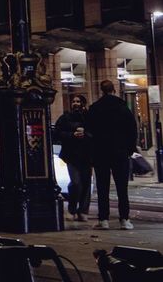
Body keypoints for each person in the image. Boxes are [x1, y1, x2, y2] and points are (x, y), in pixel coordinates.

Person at [88, 79, 137, 230]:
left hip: (101, 153)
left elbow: (89, 131)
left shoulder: (95, 108)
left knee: (102, 187)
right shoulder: (123, 108)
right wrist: (129, 150)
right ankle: (124, 219)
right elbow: (132, 130)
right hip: (120, 152)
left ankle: (104, 219)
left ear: (101, 90)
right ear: (114, 89)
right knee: (122, 187)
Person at [53, 94, 93, 221]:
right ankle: (72, 208)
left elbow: (95, 133)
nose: (75, 103)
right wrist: (72, 135)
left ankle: (83, 211)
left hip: (87, 155)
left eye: (78, 101)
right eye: (74, 101)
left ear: (83, 103)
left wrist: (85, 134)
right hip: (72, 155)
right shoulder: (65, 118)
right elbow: (57, 133)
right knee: (75, 183)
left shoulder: (89, 117)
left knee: (86, 183)